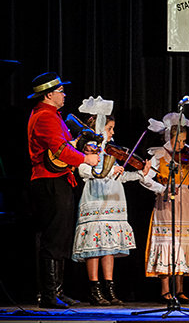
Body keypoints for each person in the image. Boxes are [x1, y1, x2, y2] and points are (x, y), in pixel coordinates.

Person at [71, 96, 164, 306]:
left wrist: (140, 173)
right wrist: (107, 171)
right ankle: (94, 289)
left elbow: (120, 177)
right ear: (100, 126)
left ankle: (109, 288)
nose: (112, 132)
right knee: (94, 247)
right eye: (110, 128)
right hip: (95, 198)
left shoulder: (111, 149)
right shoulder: (88, 147)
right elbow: (84, 170)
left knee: (109, 247)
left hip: (114, 199)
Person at [27, 72, 100, 308]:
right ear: (49, 95)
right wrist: (85, 159)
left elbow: (66, 146)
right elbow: (59, 150)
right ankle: (49, 294)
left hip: (58, 179)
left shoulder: (52, 115)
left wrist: (81, 149)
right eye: (60, 91)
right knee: (53, 237)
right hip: (49, 181)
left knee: (61, 236)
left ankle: (56, 290)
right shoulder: (45, 117)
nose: (64, 94)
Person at [143, 112, 189, 305]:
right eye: (179, 141)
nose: (182, 145)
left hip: (185, 201)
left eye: (184, 141)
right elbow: (145, 179)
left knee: (182, 244)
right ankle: (165, 290)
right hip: (166, 201)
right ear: (169, 137)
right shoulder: (159, 154)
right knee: (167, 243)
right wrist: (162, 189)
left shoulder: (188, 156)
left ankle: (180, 290)